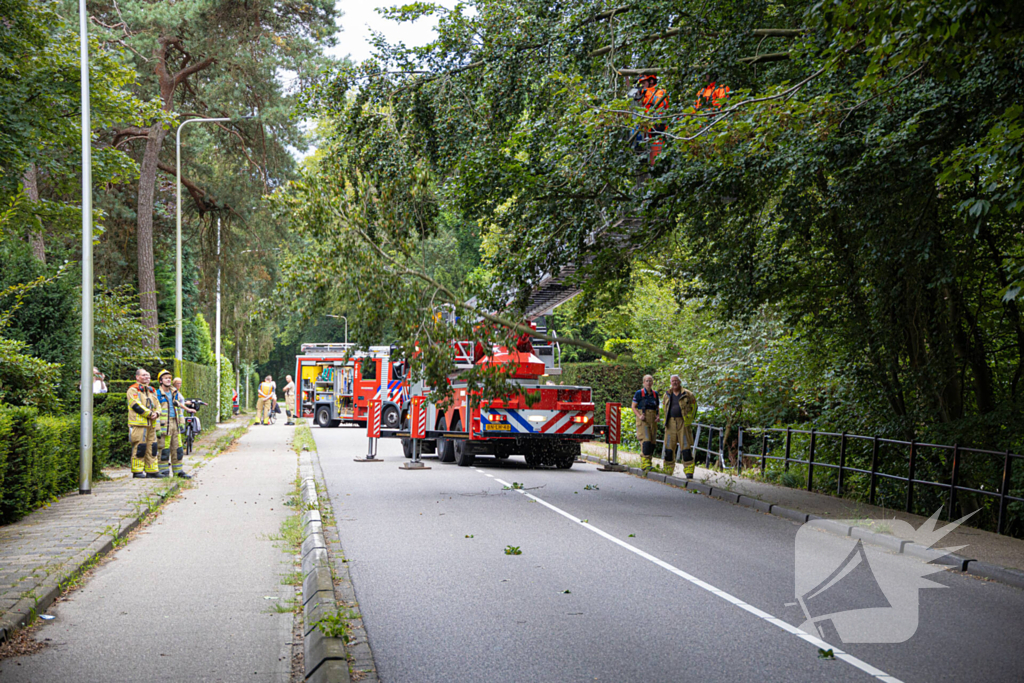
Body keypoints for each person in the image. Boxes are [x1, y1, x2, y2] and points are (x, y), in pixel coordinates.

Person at [156, 370, 192, 479]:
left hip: (175, 424)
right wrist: (157, 427)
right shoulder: (157, 394)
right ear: (160, 380)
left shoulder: (174, 393)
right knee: (164, 449)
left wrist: (181, 422)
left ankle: (178, 471)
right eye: (165, 378)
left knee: (178, 449)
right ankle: (163, 472)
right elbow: (156, 411)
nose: (168, 380)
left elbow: (178, 408)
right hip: (164, 425)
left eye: (169, 378)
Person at [126, 368, 161, 478]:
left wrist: (157, 413)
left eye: (148, 375)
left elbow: (157, 404)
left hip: (151, 424)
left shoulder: (151, 390)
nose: (147, 377)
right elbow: (136, 405)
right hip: (139, 424)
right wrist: (150, 414)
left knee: (153, 446)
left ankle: (152, 470)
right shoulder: (133, 390)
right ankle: (137, 471)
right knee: (140, 447)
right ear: (137, 377)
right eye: (144, 375)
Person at [662, 374, 698, 478]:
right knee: (668, 448)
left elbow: (694, 407)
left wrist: (689, 420)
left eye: (676, 381)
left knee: (686, 448)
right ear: (670, 382)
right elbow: (664, 408)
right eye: (673, 381)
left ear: (680, 382)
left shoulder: (688, 394)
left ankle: (689, 472)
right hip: (670, 424)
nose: (674, 383)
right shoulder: (667, 394)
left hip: (683, 423)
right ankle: (667, 471)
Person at [635, 73, 669, 164]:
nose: (642, 85)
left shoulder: (660, 91)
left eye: (644, 82)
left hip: (659, 124)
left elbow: (661, 103)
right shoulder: (643, 94)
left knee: (657, 149)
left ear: (651, 81)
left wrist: (647, 93)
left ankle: (658, 166)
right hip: (647, 126)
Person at [631, 374, 660, 470]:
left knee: (652, 442)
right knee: (646, 441)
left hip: (653, 420)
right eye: (647, 381)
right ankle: (644, 463)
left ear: (652, 383)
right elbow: (633, 406)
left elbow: (657, 407)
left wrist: (658, 416)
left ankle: (649, 462)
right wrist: (639, 416)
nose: (648, 383)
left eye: (650, 381)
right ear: (643, 383)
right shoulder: (639, 393)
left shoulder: (655, 394)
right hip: (643, 420)